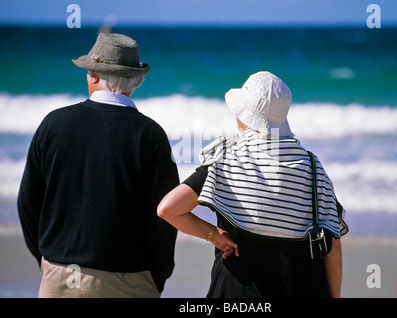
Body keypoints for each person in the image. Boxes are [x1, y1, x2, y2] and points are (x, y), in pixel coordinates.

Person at [158, 71, 348, 298]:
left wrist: (214, 235)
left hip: (235, 291)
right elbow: (333, 245)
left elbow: (168, 209)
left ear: (245, 116)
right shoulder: (311, 167)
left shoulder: (226, 159)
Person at [17, 33, 179, 298]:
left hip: (59, 274)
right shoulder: (150, 135)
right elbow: (164, 217)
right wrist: (156, 277)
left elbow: (28, 204)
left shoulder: (53, 124)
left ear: (93, 75)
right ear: (136, 80)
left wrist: (48, 262)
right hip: (129, 279)